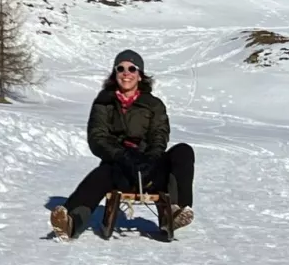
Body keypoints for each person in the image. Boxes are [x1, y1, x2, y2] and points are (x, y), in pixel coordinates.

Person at [50, 49, 194, 241]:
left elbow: (159, 135)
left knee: (183, 151)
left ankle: (178, 211)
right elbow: (97, 137)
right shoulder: (104, 103)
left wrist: (151, 158)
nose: (126, 73)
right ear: (115, 73)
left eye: (132, 69)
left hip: (150, 168)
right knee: (100, 176)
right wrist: (121, 155)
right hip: (119, 167)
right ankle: (71, 221)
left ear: (140, 75)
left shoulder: (154, 105)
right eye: (121, 68)